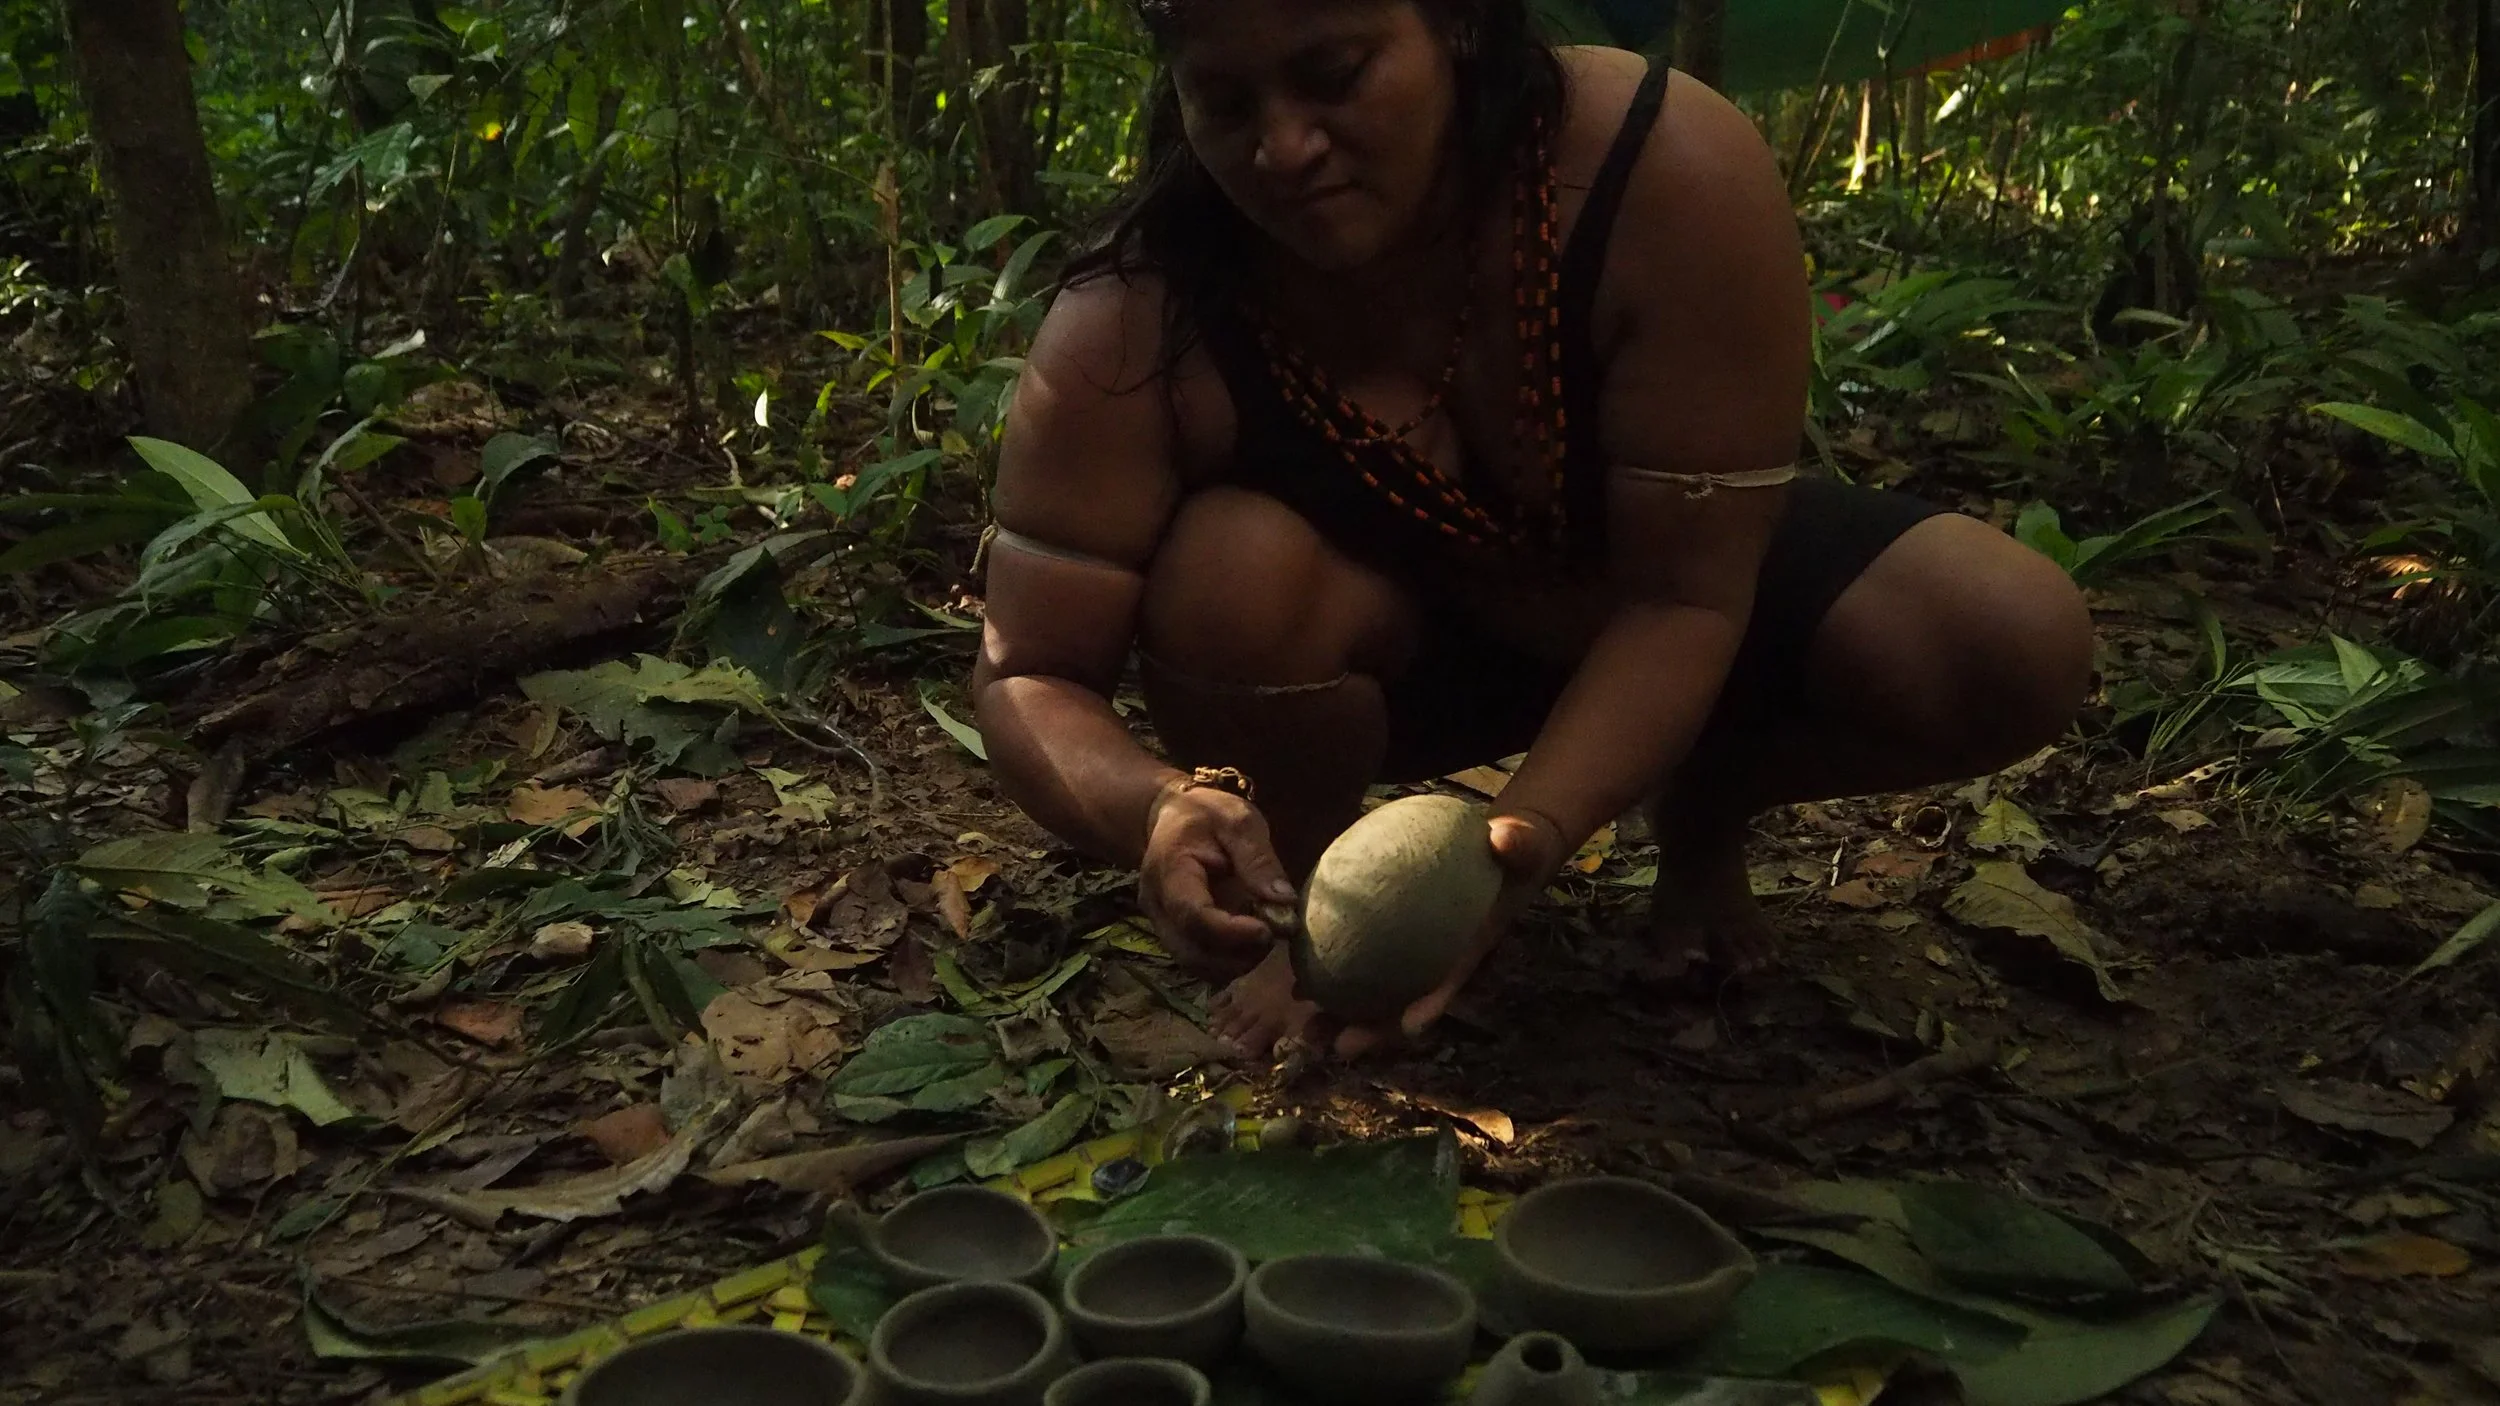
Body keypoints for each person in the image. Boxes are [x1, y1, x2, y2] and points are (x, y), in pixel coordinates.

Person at [969, 0, 2093, 1061]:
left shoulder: (1652, 164)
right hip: (1399, 648)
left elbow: (1684, 596)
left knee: (2002, 637)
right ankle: (1300, 897)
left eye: (1335, 75)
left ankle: (1706, 802)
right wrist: (1159, 808)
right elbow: (1028, 671)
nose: (1285, 148)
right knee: (1232, 574)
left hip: (1665, 589)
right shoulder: (1134, 321)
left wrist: (1529, 839)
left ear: (1457, 21)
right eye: (1225, 104)